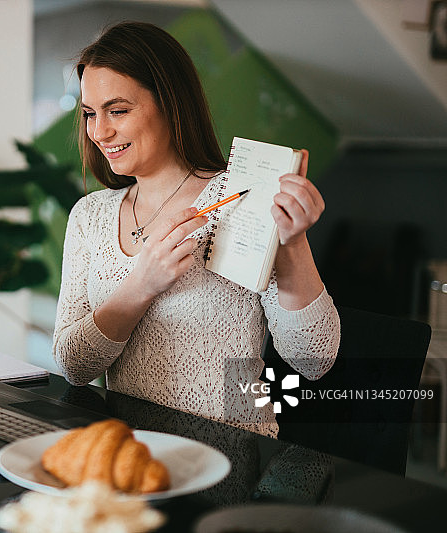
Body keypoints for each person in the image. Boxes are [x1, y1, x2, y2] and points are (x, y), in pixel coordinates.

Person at [52, 21, 340, 437]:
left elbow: (314, 359)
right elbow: (73, 367)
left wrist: (291, 244)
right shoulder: (90, 215)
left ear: (171, 104)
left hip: (234, 452)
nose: (99, 132)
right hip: (135, 451)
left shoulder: (243, 198)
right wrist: (141, 285)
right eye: (89, 114)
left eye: (118, 110)